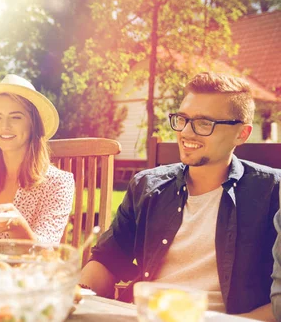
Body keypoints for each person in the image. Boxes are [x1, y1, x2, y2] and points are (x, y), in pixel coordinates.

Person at [79, 72, 280, 319]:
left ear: (242, 133)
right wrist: (80, 295)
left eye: (204, 123)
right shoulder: (147, 186)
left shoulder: (273, 193)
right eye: (182, 119)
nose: (186, 132)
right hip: (143, 315)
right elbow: (107, 260)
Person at [0, 74, 74, 244]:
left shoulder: (58, 183)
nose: (4, 126)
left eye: (16, 117)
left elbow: (45, 255)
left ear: (33, 124)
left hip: (30, 271)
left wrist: (16, 226)